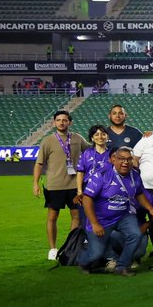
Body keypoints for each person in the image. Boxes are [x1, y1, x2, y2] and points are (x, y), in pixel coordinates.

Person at [79, 147, 153, 275]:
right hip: (101, 218)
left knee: (136, 234)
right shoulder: (101, 174)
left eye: (129, 159)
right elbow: (87, 199)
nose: (125, 162)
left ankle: (122, 266)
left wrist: (150, 208)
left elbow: (139, 193)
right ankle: (83, 261)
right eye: (121, 159)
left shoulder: (135, 175)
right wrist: (94, 223)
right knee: (95, 253)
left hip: (123, 215)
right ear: (114, 160)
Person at [34, 109, 87, 260]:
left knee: (76, 216)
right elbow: (39, 163)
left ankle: (70, 247)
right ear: (54, 123)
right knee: (52, 216)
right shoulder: (48, 141)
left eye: (64, 120)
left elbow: (92, 149)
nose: (61, 123)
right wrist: (35, 183)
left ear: (70, 122)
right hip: (54, 185)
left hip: (75, 185)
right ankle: (52, 248)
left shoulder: (77, 138)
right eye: (58, 120)